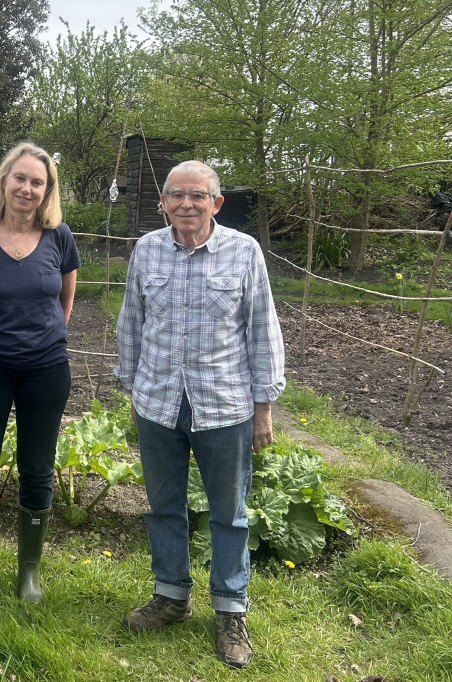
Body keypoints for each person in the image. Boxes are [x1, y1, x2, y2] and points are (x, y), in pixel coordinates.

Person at [115, 160, 285, 669]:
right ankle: (171, 596)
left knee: (229, 513)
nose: (186, 204)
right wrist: (132, 388)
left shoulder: (244, 252)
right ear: (163, 202)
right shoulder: (147, 250)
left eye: (197, 195)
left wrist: (263, 409)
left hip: (226, 404)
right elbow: (132, 320)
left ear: (216, 202)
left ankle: (230, 610)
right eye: (176, 196)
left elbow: (262, 329)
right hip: (159, 402)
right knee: (163, 507)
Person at [0, 142, 80, 603]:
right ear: (4, 181)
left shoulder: (59, 236)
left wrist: (42, 339)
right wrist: (0, 338)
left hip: (46, 367)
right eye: (20, 178)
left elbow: (64, 300)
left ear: (47, 192)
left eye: (37, 182)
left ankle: (29, 573)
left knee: (38, 469)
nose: (27, 188)